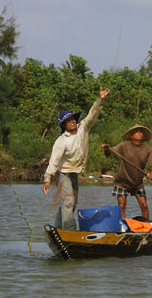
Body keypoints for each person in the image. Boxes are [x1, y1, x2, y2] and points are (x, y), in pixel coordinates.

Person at [43, 87, 110, 229]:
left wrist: (100, 100)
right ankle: (70, 230)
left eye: (73, 119)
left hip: (75, 172)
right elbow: (54, 161)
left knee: (71, 204)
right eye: (68, 121)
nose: (72, 122)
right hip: (63, 173)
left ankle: (58, 227)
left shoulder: (83, 128)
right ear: (64, 125)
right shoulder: (61, 141)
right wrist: (47, 178)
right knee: (68, 201)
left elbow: (92, 115)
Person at [101, 124, 152, 220]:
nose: (139, 133)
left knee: (144, 206)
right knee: (122, 206)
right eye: (136, 132)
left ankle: (146, 226)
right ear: (131, 136)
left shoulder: (147, 148)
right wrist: (106, 149)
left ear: (143, 136)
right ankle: (123, 227)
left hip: (137, 183)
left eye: (141, 132)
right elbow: (111, 153)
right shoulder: (124, 146)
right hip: (122, 182)